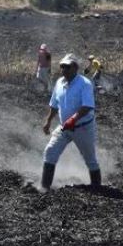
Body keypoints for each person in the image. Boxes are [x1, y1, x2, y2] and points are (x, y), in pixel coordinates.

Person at [40, 53, 101, 191]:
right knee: (50, 151)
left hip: (82, 128)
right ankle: (44, 187)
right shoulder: (59, 83)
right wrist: (48, 121)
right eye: (62, 66)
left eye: (67, 67)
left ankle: (98, 189)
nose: (63, 70)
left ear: (75, 67)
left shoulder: (85, 84)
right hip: (64, 127)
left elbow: (87, 107)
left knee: (90, 160)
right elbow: (54, 104)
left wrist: (73, 120)